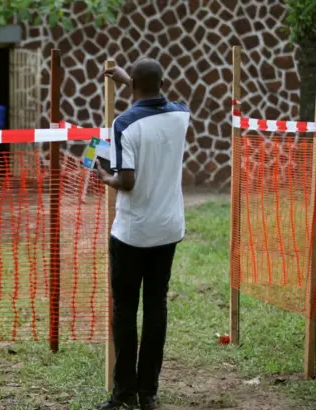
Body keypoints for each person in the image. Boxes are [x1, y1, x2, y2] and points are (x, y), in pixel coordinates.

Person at [94, 58, 190, 410]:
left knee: (124, 309)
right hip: (168, 229)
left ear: (132, 83)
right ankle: (148, 392)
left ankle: (123, 393)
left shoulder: (123, 125)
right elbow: (161, 100)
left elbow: (127, 181)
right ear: (161, 82)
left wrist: (106, 178)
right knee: (155, 308)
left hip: (132, 233)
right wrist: (130, 82)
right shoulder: (182, 115)